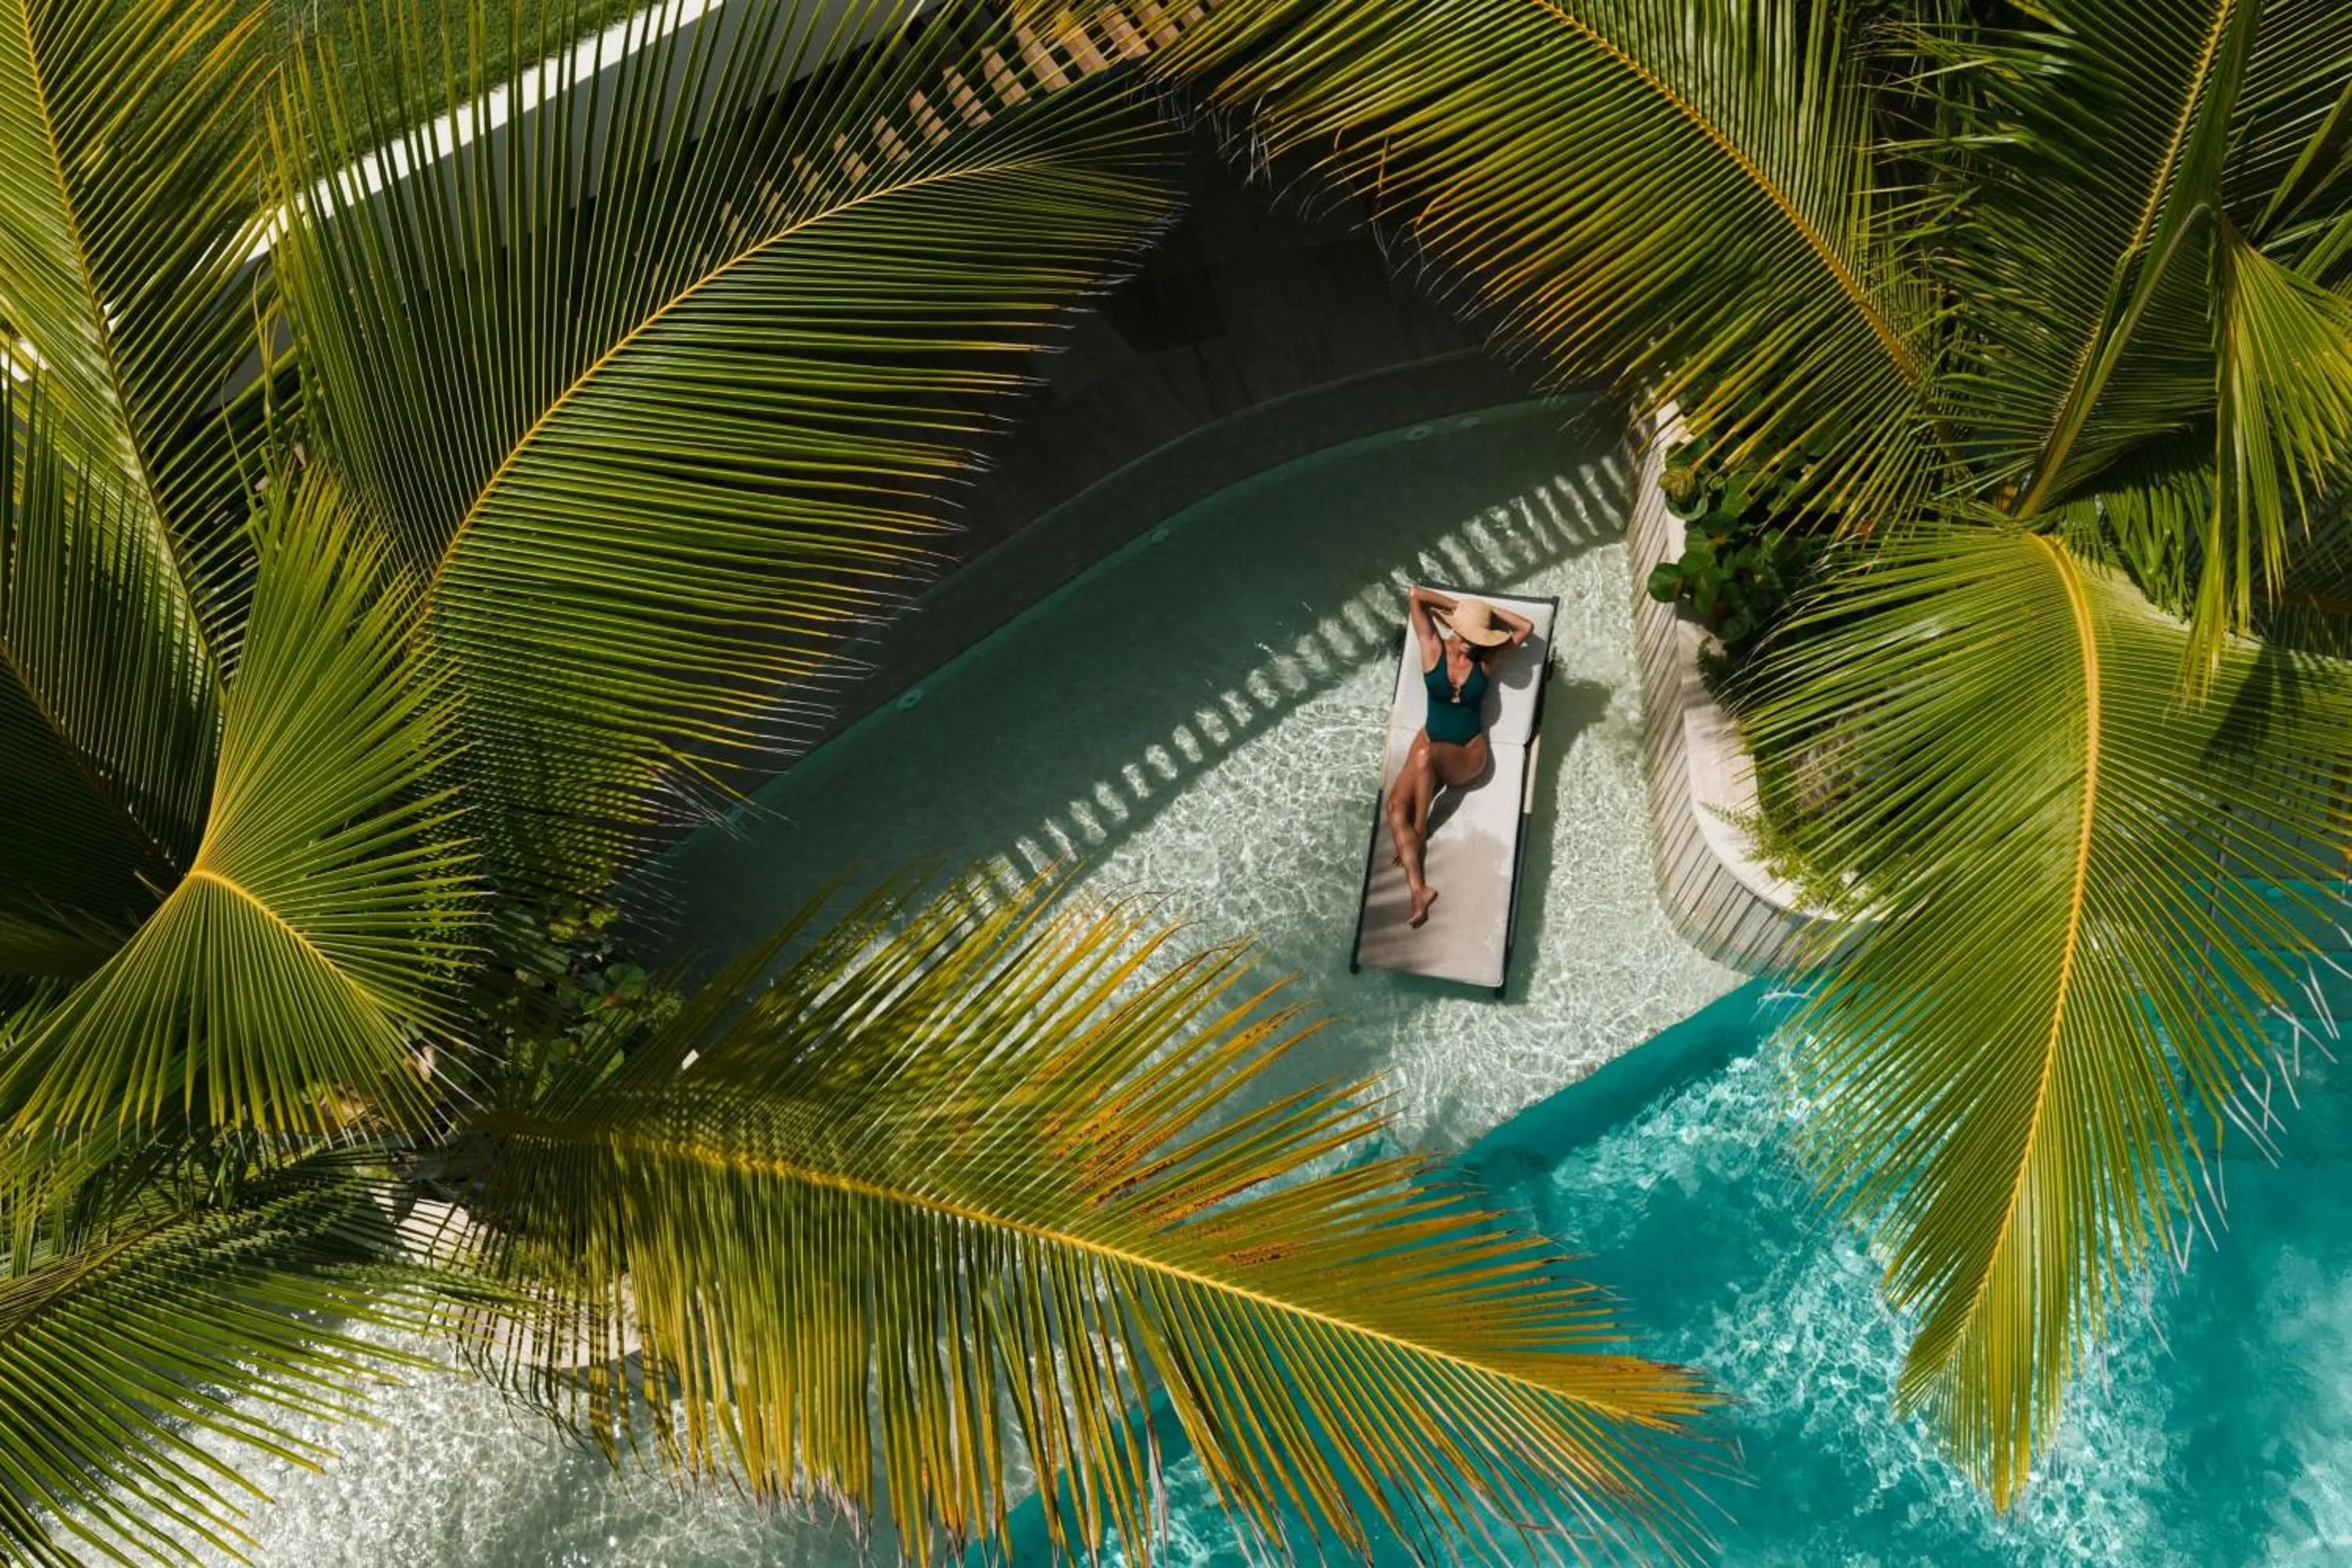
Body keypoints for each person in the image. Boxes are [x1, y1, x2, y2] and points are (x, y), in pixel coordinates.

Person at [1386, 586, 1534, 928]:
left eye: (1477, 637)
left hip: (1468, 755)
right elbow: (1416, 596)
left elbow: (1525, 627)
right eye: (1465, 634)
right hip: (1428, 750)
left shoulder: (1487, 658)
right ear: (1453, 628)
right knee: (1395, 809)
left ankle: (1420, 830)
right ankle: (1419, 890)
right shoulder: (1433, 648)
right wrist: (1458, 610)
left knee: (1424, 755)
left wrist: (1484, 617)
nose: (1470, 643)